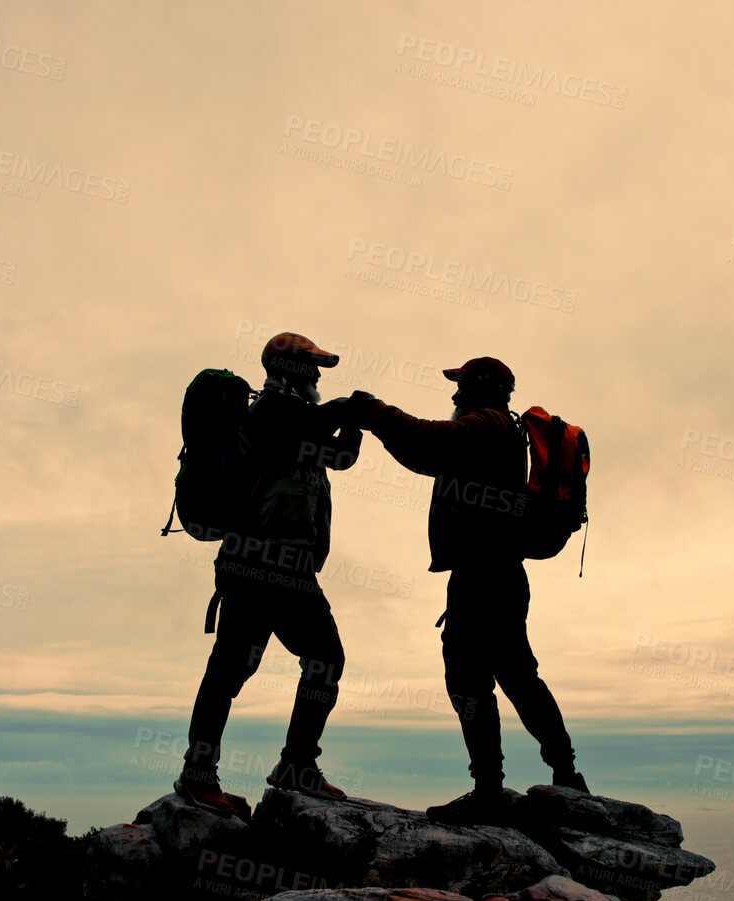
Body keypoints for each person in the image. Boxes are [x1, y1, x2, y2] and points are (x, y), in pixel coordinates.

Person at [346, 357, 587, 825]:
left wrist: (374, 413)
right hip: (492, 571)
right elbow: (427, 453)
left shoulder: (489, 424)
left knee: (476, 679)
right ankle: (555, 775)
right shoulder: (499, 427)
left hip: (486, 574)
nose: (454, 394)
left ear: (480, 386)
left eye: (461, 384)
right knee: (511, 674)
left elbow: (426, 446)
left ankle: (500, 788)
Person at [174, 332, 363, 815]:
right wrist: (353, 407)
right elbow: (324, 421)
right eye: (313, 368)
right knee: (318, 658)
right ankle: (291, 765)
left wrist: (355, 422)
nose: (318, 377)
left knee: (233, 666)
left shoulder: (294, 425)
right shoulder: (274, 412)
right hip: (268, 561)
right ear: (294, 371)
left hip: (267, 562)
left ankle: (216, 772)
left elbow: (340, 457)